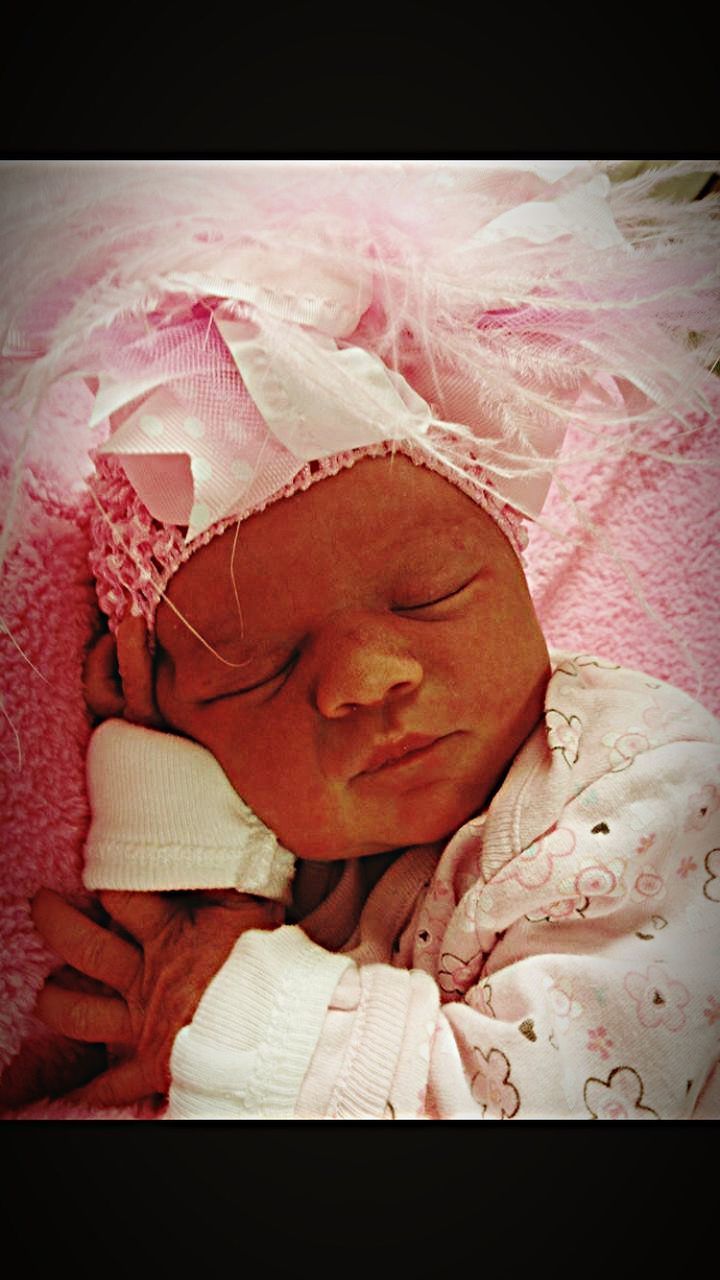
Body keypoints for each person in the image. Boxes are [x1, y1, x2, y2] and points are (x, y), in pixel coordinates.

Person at [2, 160, 719, 1118]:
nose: (365, 679)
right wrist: (174, 805)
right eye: (255, 670)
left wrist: (225, 1011)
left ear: (513, 566)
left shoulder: (642, 786)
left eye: (429, 595)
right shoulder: (299, 858)